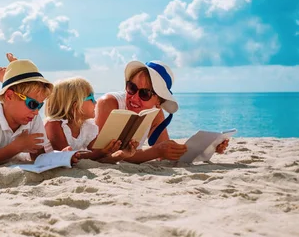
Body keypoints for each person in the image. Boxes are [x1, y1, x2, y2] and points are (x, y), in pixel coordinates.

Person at [0, 55, 138, 163]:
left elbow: (96, 155)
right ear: (75, 106)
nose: (96, 102)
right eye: (91, 99)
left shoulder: (88, 127)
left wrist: (116, 152)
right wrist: (101, 152)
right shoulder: (54, 125)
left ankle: (10, 77)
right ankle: (9, 79)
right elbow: (67, 155)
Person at [96, 60, 228, 163]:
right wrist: (156, 152)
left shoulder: (154, 112)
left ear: (158, 102)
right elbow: (99, 154)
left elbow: (165, 155)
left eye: (145, 93)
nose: (134, 97)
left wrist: (208, 148)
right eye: (132, 87)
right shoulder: (109, 103)